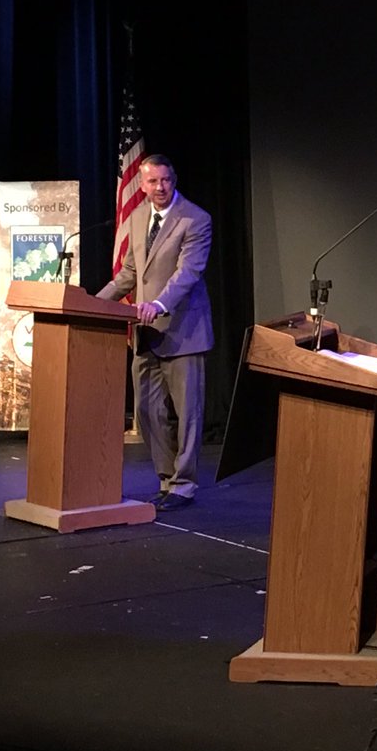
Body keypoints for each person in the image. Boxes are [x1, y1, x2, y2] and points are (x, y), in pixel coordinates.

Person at [97, 154, 214, 511]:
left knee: (188, 413)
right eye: (153, 181)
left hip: (183, 331)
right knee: (147, 413)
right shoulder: (135, 217)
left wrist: (160, 305)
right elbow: (130, 275)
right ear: (143, 184)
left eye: (166, 180)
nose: (160, 187)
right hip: (145, 333)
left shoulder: (196, 219)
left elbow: (187, 273)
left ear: (173, 179)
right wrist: (92, 304)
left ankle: (185, 485)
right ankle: (167, 479)